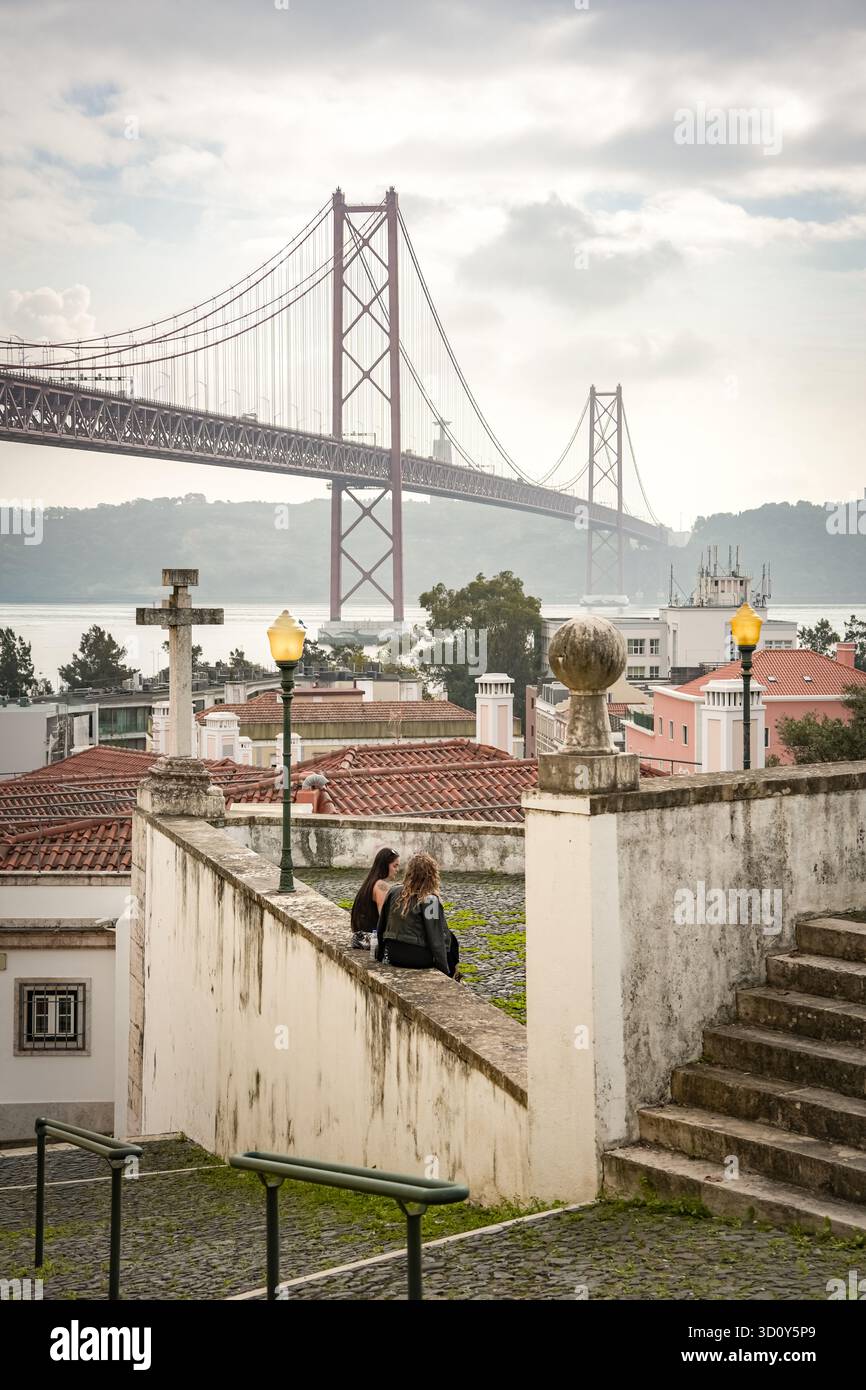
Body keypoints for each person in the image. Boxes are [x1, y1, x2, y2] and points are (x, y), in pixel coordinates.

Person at [376, 851, 460, 979]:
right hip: (417, 957)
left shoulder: (393, 891)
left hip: (394, 953)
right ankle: (454, 975)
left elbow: (381, 926)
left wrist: (380, 953)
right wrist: (444, 971)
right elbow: (436, 939)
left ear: (409, 873)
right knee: (451, 939)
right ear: (431, 875)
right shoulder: (430, 900)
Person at [349, 847, 400, 950]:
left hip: (360, 937)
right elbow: (385, 919)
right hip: (371, 939)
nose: (397, 870)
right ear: (385, 866)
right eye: (395, 866)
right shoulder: (381, 886)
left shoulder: (370, 882)